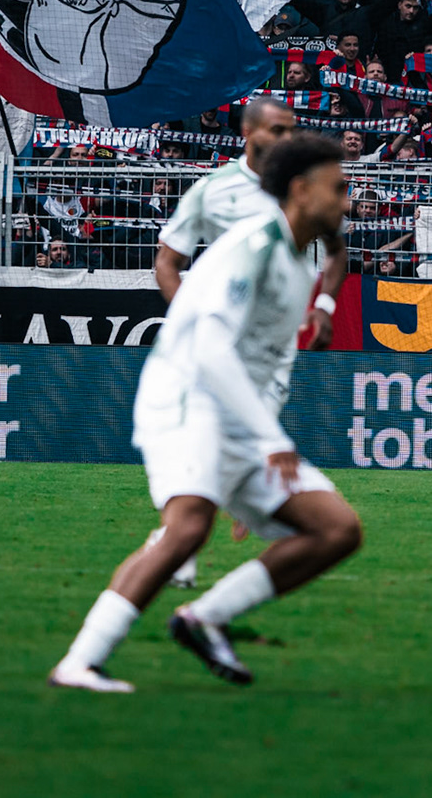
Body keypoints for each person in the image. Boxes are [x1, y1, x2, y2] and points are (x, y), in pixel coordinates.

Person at [49, 132, 360, 693]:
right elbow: (212, 350)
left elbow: (258, 358)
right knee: (189, 524)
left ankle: (204, 616)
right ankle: (79, 663)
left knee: (336, 529)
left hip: (236, 416)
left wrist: (263, 427)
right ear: (300, 190)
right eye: (338, 188)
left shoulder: (294, 258)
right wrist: (271, 438)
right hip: (187, 398)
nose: (348, 201)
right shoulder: (253, 245)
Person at [148, 95, 348, 589]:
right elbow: (167, 262)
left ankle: (181, 541)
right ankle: (180, 545)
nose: (287, 139)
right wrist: (192, 324)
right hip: (223, 339)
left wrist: (323, 306)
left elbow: (337, 251)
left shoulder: (304, 189)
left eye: (292, 130)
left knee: (241, 446)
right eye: (278, 131)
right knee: (225, 438)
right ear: (248, 133)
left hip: (275, 345)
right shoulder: (212, 191)